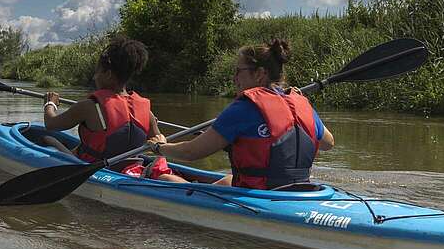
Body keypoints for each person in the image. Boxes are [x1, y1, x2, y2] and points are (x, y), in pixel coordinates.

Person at [146, 39, 335, 189]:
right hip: (301, 190)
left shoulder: (244, 108)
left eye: (239, 71)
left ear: (260, 73)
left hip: (261, 194)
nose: (234, 77)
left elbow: (191, 152)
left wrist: (160, 147)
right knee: (228, 180)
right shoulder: (301, 103)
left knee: (165, 178)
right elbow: (328, 143)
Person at [42, 35, 179, 181]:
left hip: (98, 169)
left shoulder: (90, 106)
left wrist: (50, 104)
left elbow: (51, 124)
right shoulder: (146, 111)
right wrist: (149, 122)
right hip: (132, 168)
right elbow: (159, 143)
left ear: (108, 74)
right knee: (77, 147)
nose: (95, 77)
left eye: (98, 72)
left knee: (48, 138)